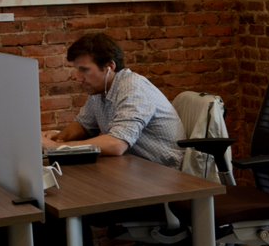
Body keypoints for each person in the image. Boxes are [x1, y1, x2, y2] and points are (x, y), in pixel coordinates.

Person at [42, 32, 185, 169]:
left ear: (109, 67)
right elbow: (83, 125)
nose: (78, 77)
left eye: (84, 70)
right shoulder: (99, 89)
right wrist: (58, 137)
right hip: (132, 166)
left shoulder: (133, 88)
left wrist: (57, 148)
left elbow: (117, 144)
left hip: (163, 172)